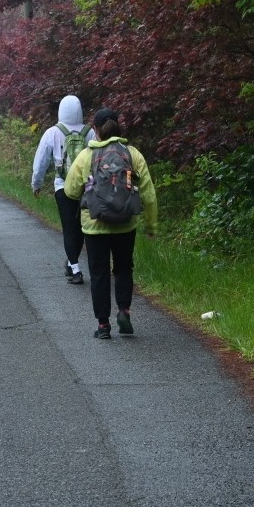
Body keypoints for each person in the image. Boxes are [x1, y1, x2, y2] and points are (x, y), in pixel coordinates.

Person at [63, 108, 158, 339]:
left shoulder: (86, 156)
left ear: (95, 130)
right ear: (118, 126)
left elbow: (70, 191)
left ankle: (103, 325)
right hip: (126, 224)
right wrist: (151, 226)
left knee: (99, 273)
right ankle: (124, 311)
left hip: (95, 226)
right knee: (124, 267)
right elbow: (148, 193)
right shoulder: (132, 154)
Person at [31, 94, 94, 285]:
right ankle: (72, 262)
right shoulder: (90, 133)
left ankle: (75, 269)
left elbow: (41, 161)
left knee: (68, 228)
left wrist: (36, 183)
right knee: (81, 228)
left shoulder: (52, 132)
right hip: (86, 186)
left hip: (63, 187)